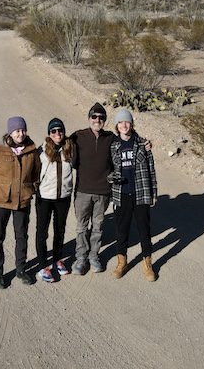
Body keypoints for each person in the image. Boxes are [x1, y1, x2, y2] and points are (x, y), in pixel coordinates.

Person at [0, 116, 41, 289]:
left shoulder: (32, 150)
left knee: (22, 237)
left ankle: (21, 269)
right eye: (17, 130)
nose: (21, 134)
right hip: (0, 202)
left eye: (23, 130)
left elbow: (36, 174)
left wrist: (31, 189)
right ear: (10, 132)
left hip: (23, 201)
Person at [109, 108, 158, 281]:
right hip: (121, 193)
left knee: (144, 229)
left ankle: (147, 263)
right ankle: (122, 262)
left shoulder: (143, 144)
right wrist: (112, 178)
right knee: (121, 230)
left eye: (127, 121)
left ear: (132, 124)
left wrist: (154, 192)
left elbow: (151, 169)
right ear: (116, 125)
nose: (124, 125)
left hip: (141, 192)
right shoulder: (113, 146)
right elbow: (108, 170)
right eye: (121, 122)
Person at [69, 102, 115, 274]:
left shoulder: (110, 137)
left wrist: (144, 144)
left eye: (101, 117)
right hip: (82, 191)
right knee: (81, 226)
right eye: (94, 116)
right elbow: (58, 143)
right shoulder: (78, 136)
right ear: (89, 118)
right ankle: (80, 258)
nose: (97, 120)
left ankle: (94, 256)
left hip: (103, 192)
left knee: (98, 226)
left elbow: (128, 141)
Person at [35, 118, 74, 283]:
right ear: (49, 134)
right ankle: (43, 266)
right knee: (42, 232)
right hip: (44, 197)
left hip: (63, 197)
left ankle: (57, 259)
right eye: (53, 131)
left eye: (60, 131)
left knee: (60, 230)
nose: (57, 134)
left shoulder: (70, 148)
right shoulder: (41, 151)